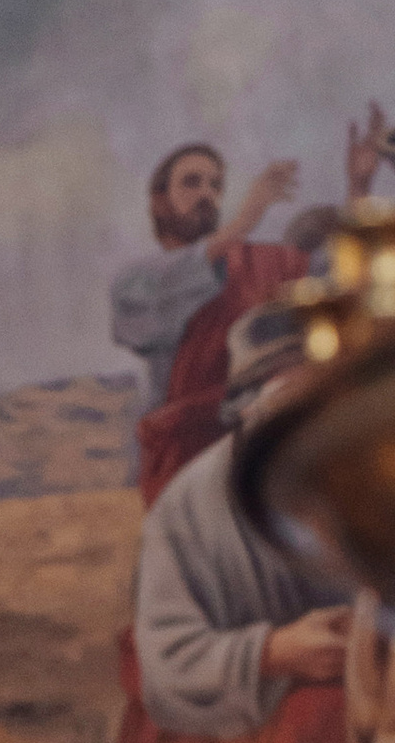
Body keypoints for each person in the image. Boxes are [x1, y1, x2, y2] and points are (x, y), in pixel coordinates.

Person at [116, 302, 351, 743]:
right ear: (247, 409)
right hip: (228, 736)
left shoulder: (367, 481)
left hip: (373, 711)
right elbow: (167, 666)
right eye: (288, 405)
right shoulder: (188, 509)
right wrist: (274, 652)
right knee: (319, 720)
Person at [110, 140, 301, 503]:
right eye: (191, 182)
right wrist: (242, 223)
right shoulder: (138, 281)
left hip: (253, 457)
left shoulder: (254, 262)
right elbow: (173, 285)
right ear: (159, 201)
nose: (206, 194)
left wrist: (360, 187)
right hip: (183, 461)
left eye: (215, 185)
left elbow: (329, 283)